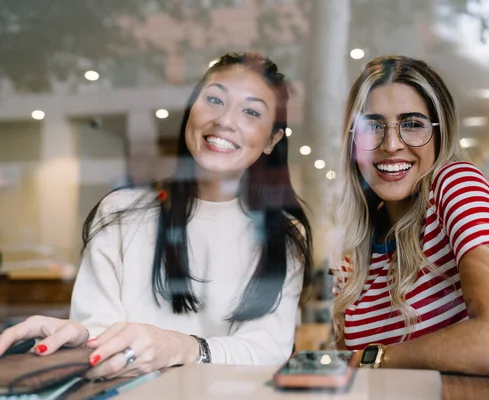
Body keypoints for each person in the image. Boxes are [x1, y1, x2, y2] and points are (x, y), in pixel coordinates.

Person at [0, 52, 313, 379]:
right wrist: (82, 339)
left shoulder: (284, 235)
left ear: (271, 140)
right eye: (215, 99)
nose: (225, 120)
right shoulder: (121, 213)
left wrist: (182, 347)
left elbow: (267, 351)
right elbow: (101, 341)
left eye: (250, 111)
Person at [329, 55, 489, 377]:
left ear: (440, 133)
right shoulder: (353, 252)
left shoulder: (458, 184)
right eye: (372, 126)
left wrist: (374, 358)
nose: (391, 144)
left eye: (412, 124)